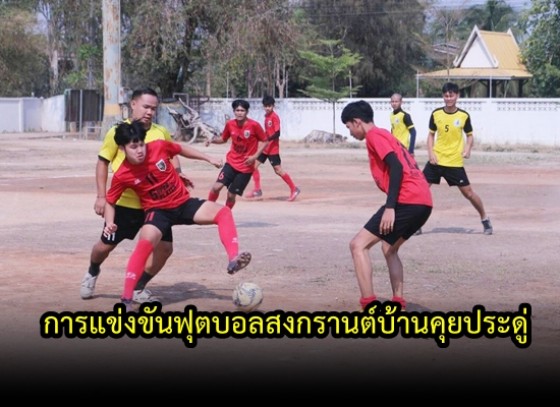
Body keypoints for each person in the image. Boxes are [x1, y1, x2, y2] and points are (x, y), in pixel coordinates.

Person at [104, 120, 252, 310]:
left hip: (183, 203)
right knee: (149, 245)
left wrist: (208, 158)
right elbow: (110, 200)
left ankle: (233, 259)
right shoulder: (122, 174)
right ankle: (126, 299)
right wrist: (110, 222)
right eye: (134, 147)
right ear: (122, 148)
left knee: (223, 212)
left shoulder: (158, 146)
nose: (140, 150)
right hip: (158, 212)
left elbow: (181, 149)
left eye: (141, 144)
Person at [81, 87, 189, 303]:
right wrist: (101, 197)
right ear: (133, 104)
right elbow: (102, 162)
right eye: (146, 107)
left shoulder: (160, 132)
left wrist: (178, 174)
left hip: (157, 205)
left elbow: (172, 153)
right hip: (125, 205)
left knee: (165, 249)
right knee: (104, 247)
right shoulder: (117, 132)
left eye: (154, 109)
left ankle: (138, 287)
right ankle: (92, 271)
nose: (149, 112)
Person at [340, 100, 433, 311]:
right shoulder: (386, 135)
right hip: (423, 202)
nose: (350, 132)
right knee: (389, 248)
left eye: (349, 126)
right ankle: (398, 303)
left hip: (407, 200)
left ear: (357, 122)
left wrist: (390, 207)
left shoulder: (374, 136)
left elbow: (396, 167)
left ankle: (369, 306)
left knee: (358, 245)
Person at [422, 82, 493, 235]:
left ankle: (485, 218)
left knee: (469, 193)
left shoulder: (463, 116)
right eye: (446, 96)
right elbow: (431, 135)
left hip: (454, 162)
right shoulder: (436, 114)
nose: (448, 98)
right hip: (436, 160)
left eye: (451, 95)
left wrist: (468, 149)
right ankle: (415, 224)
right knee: (420, 190)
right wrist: (431, 153)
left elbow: (469, 136)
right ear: (443, 96)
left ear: (457, 96)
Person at [206, 99, 269, 209]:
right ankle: (208, 209)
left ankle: (226, 214)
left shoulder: (254, 125)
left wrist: (255, 156)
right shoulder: (230, 124)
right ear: (234, 111)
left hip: (245, 168)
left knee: (231, 195)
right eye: (237, 110)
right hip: (231, 163)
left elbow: (265, 141)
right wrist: (212, 140)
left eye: (242, 110)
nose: (239, 113)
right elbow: (223, 139)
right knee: (216, 187)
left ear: (247, 112)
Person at [246, 95, 301, 201]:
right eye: (266, 106)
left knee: (278, 170)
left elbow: (277, 133)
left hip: (273, 149)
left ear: (273, 106)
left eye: (269, 106)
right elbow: (267, 132)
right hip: (265, 149)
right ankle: (257, 189)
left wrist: (268, 139)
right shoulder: (266, 117)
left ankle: (294, 189)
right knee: (252, 166)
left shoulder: (274, 117)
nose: (267, 108)